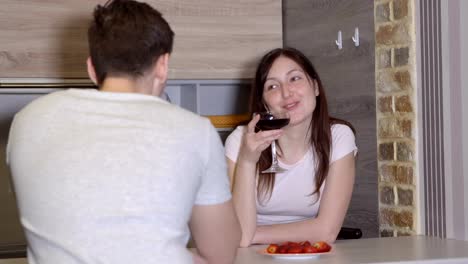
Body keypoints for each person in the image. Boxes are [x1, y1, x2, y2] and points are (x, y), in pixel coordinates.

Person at [6, 0, 240, 263]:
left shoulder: (27, 120)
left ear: (92, 68)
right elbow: (221, 254)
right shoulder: (197, 132)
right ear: (163, 65)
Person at [225, 47, 357, 247]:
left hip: (308, 253)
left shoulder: (339, 137)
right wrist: (247, 160)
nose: (286, 93)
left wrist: (253, 235)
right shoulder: (240, 140)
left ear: (315, 87)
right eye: (272, 86)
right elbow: (240, 238)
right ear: (264, 102)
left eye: (294, 79)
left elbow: (327, 231)